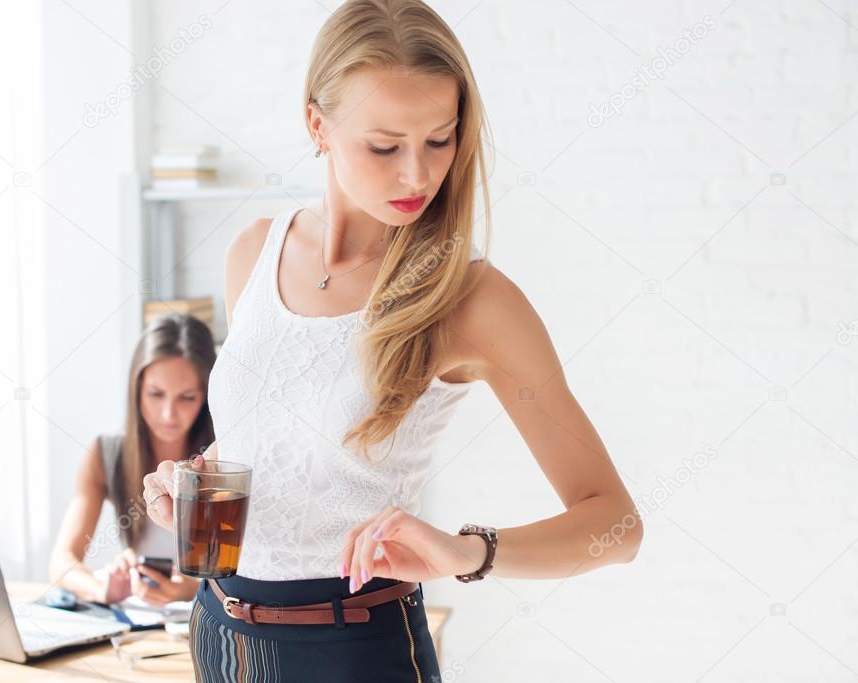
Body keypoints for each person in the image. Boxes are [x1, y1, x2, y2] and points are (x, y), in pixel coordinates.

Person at [143, 1, 643, 678]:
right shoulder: (253, 253)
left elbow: (614, 525)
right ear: (315, 123)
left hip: (352, 648)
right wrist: (187, 480)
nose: (417, 174)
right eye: (384, 146)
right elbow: (273, 442)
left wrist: (469, 551)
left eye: (439, 140)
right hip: (217, 628)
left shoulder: (470, 300)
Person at [49, 314, 216, 606]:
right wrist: (102, 590)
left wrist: (191, 589)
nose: (168, 414)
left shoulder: (224, 458)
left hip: (210, 615)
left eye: (187, 397)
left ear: (206, 397)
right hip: (144, 622)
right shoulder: (106, 454)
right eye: (155, 394)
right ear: (136, 390)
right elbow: (61, 564)